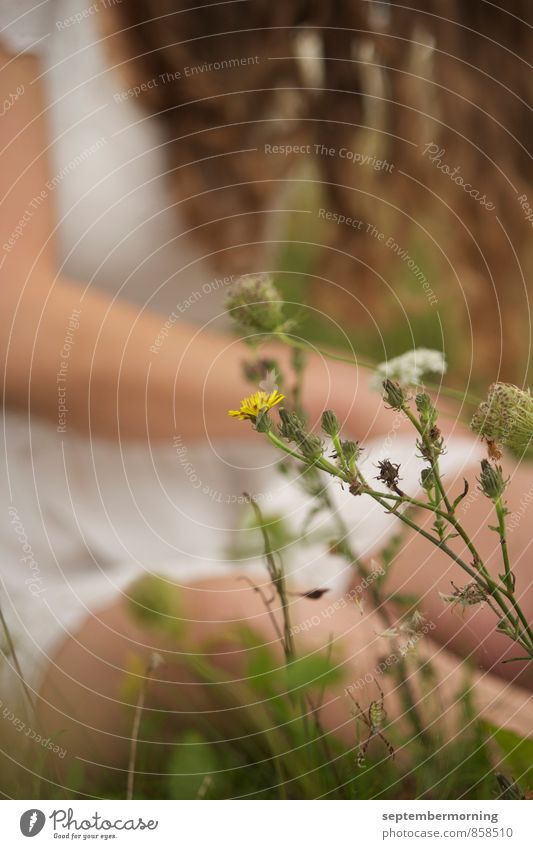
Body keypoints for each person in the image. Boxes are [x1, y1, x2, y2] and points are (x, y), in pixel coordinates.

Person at [0, 0, 531, 787]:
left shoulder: (272, 29)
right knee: (272, 639)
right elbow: (19, 333)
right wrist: (331, 389)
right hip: (42, 570)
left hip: (243, 496)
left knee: (515, 527)